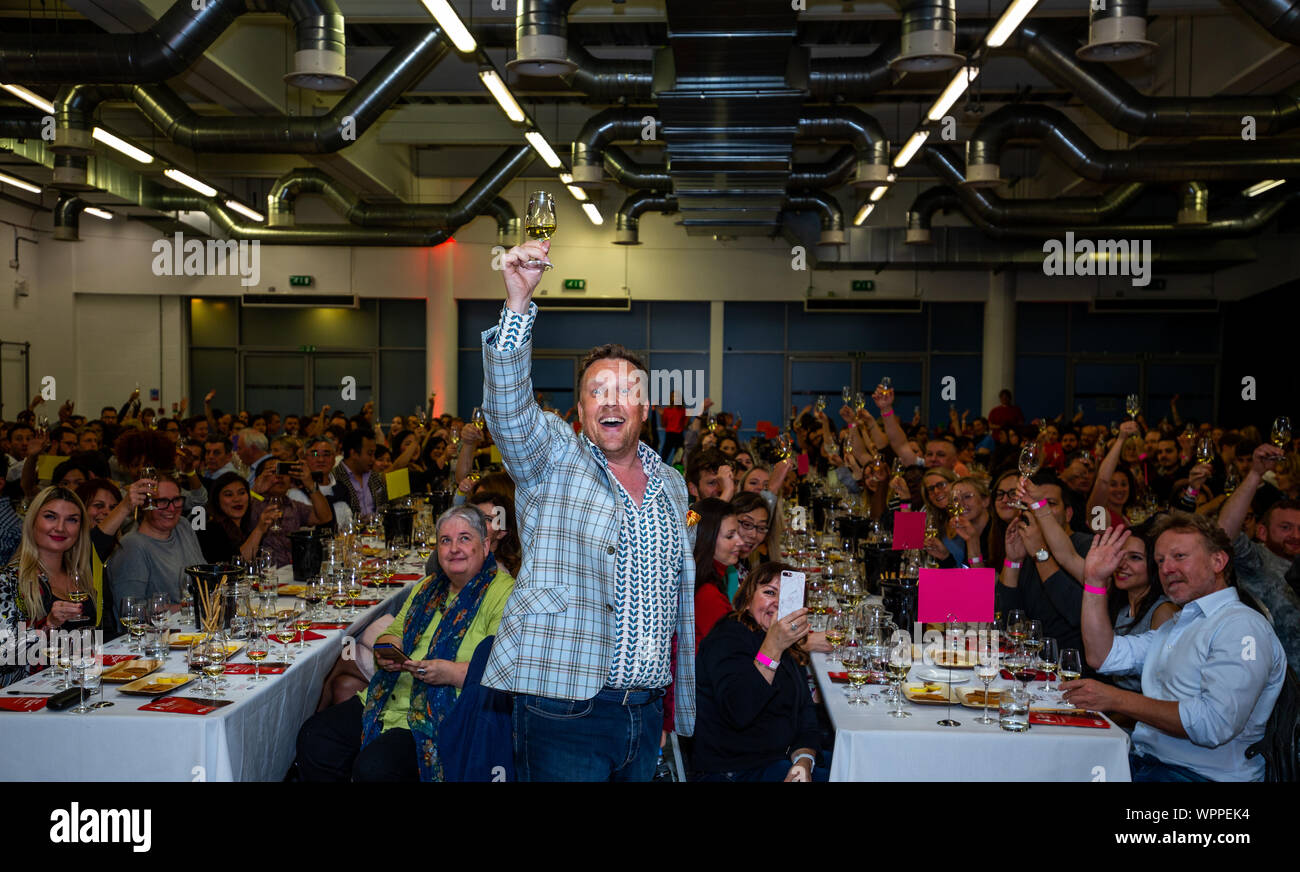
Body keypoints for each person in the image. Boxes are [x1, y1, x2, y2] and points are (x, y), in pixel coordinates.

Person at [479, 236, 697, 782]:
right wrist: (518, 304)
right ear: (580, 409)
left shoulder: (672, 485)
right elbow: (507, 406)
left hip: (644, 712)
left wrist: (667, 708)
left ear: (644, 407)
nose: (611, 400)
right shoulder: (552, 458)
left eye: (625, 390)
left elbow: (671, 601)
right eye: (597, 391)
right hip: (564, 708)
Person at [295, 505, 514, 781]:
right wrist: (387, 651)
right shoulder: (428, 587)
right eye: (445, 541)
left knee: (375, 768)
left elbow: (503, 667)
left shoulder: (503, 593)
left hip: (443, 712)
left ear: (485, 545)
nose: (454, 548)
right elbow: (395, 630)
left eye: (464, 538)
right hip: (389, 697)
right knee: (316, 739)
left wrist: (449, 673)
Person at [1063, 517, 1286, 781]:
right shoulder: (1180, 625)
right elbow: (1103, 655)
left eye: (1179, 556)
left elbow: (1213, 724)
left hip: (1202, 776)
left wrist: (1116, 698)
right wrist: (1095, 581)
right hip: (1150, 762)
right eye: (1159, 561)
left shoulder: (1241, 626)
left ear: (1218, 561)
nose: (1167, 568)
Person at [692, 562, 826, 782]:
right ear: (746, 600)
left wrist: (803, 761)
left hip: (780, 758)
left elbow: (805, 716)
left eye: (788, 597)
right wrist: (773, 647)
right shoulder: (728, 636)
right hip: (733, 770)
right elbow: (739, 711)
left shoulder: (789, 647)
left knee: (855, 766)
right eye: (769, 593)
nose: (777, 604)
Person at [0, 486, 95, 686]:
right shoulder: (8, 581)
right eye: (50, 517)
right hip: (30, 697)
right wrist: (48, 626)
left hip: (79, 686)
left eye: (72, 520)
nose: (60, 527)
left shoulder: (82, 577)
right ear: (32, 521)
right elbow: (3, 655)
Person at [108, 476, 206, 607]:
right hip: (165, 626)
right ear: (144, 505)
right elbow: (130, 610)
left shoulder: (182, 526)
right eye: (162, 501)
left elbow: (204, 574)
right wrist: (187, 608)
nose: (171, 509)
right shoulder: (132, 546)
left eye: (176, 500)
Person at [197, 472, 279, 564]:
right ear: (217, 500)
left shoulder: (246, 527)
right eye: (229, 495)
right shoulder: (210, 530)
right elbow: (236, 566)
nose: (237, 499)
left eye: (242, 493)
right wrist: (259, 530)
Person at [692, 498, 743, 641]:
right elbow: (732, 650)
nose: (741, 542)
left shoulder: (713, 577)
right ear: (707, 539)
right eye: (730, 536)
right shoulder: (707, 594)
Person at [332, 428, 388, 518]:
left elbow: (385, 505)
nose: (373, 459)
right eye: (370, 454)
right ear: (353, 453)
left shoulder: (374, 475)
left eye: (374, 454)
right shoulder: (335, 478)